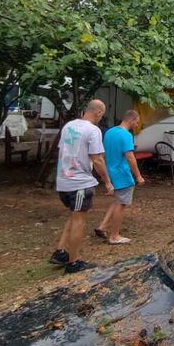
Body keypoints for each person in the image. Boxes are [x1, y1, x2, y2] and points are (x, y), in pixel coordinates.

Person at [49, 100, 113, 274]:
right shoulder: (93, 130)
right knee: (79, 221)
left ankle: (60, 252)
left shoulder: (69, 126)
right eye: (102, 114)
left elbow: (63, 150)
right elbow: (97, 159)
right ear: (98, 112)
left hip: (63, 181)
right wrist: (107, 181)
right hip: (79, 183)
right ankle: (73, 263)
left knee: (74, 216)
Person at [95, 109, 145, 244]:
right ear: (131, 119)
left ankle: (102, 226)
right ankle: (114, 236)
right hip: (122, 173)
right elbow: (130, 157)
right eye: (136, 122)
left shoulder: (110, 132)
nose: (136, 125)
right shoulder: (126, 135)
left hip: (111, 171)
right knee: (121, 204)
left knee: (117, 200)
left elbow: (106, 152)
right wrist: (138, 176)